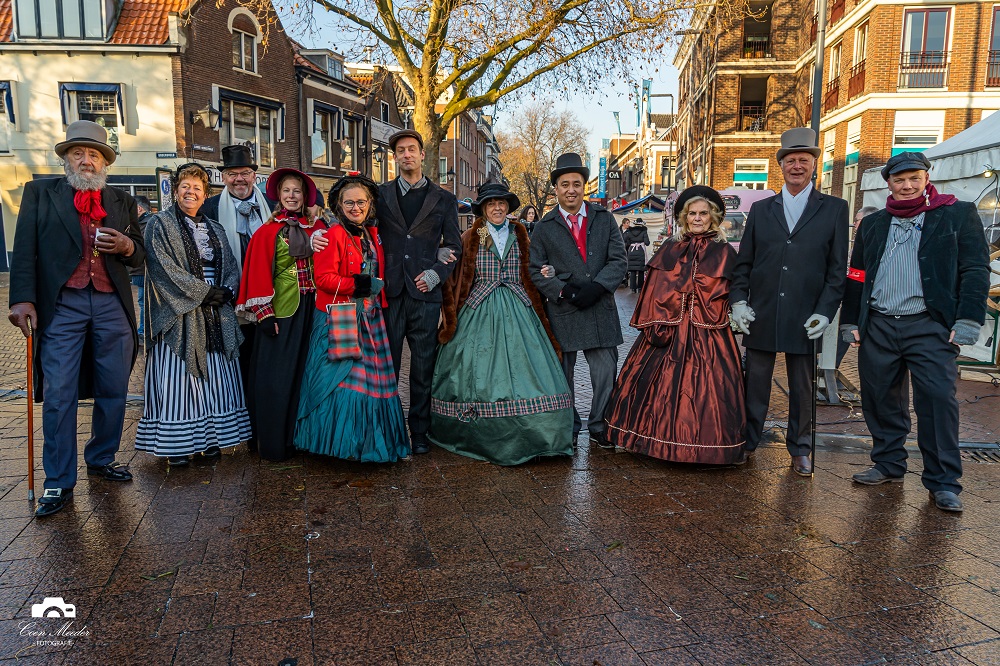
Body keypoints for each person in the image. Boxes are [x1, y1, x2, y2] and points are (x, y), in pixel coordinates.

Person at [9, 120, 145, 517]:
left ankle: (101, 457)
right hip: (62, 303)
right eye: (78, 154)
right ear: (67, 158)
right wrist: (22, 299)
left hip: (110, 303)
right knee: (59, 392)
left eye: (94, 155)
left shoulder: (119, 199)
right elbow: (25, 250)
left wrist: (125, 244)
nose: (87, 161)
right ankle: (58, 479)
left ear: (105, 162)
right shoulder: (40, 193)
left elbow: (139, 254)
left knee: (114, 387)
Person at [841, 152, 990, 512]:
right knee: (879, 399)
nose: (907, 186)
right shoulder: (874, 223)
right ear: (888, 183)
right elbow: (857, 273)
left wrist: (968, 320)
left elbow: (975, 269)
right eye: (899, 180)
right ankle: (889, 464)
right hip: (878, 324)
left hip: (929, 324)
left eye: (914, 178)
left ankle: (943, 482)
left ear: (927, 177)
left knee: (938, 401)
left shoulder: (957, 213)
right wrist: (851, 320)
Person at [730, 128, 849, 475]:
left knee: (802, 387)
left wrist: (826, 312)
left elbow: (836, 270)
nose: (797, 166)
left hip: (805, 313)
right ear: (781, 165)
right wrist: (738, 300)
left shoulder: (835, 209)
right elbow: (745, 264)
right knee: (755, 383)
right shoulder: (762, 209)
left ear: (814, 165)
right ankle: (749, 440)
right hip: (763, 311)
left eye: (804, 160)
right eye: (791, 160)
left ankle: (800, 447)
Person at [430, 182, 574, 464]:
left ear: (508, 207)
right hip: (479, 307)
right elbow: (455, 266)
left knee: (531, 367)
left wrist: (549, 270)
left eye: (502, 203)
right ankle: (481, 434)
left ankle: (541, 435)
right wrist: (438, 255)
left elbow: (535, 266)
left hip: (520, 305)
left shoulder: (520, 234)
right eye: (492, 204)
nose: (497, 208)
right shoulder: (473, 234)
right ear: (483, 208)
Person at [605, 186, 745, 463]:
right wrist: (657, 321)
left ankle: (708, 448)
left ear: (713, 216)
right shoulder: (670, 248)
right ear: (683, 217)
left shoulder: (725, 251)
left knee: (712, 392)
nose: (697, 218)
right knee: (655, 388)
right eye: (692, 213)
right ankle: (653, 442)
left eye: (703, 213)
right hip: (666, 330)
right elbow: (653, 290)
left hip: (710, 333)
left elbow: (734, 288)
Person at [135, 163, 251, 466]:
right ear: (176, 191)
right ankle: (178, 445)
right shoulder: (160, 223)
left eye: (197, 189)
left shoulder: (215, 228)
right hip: (180, 307)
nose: (190, 192)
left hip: (215, 309)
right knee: (181, 376)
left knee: (215, 374)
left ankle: (211, 439)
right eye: (185, 187)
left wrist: (226, 289)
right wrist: (201, 293)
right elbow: (161, 267)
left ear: (205, 195)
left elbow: (230, 262)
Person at [295, 174, 410, 461]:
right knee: (341, 383)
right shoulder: (332, 234)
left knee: (374, 384)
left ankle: (367, 446)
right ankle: (339, 446)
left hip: (370, 320)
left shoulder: (371, 234)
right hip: (342, 318)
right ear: (338, 205)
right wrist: (357, 285)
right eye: (349, 203)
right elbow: (322, 278)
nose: (355, 207)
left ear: (370, 204)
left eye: (361, 202)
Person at [530, 152, 628, 447]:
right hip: (565, 311)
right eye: (564, 184)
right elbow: (536, 269)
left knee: (605, 373)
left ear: (583, 185)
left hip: (599, 309)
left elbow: (619, 260)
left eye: (576, 183)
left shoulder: (604, 217)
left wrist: (598, 287)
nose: (571, 189)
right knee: (563, 377)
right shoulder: (544, 227)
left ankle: (599, 424)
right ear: (556, 189)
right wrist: (565, 291)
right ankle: (569, 426)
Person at [377, 129, 463, 454]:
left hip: (426, 296)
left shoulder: (444, 199)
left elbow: (454, 246)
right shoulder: (381, 194)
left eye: (412, 149)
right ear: (395, 157)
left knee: (423, 369)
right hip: (390, 293)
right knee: (388, 368)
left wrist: (437, 272)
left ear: (422, 154)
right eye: (401, 151)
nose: (407, 155)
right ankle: (389, 429)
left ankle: (421, 433)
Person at [236, 169, 326, 461]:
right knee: (277, 377)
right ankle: (273, 442)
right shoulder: (267, 231)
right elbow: (257, 272)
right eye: (286, 191)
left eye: (296, 191)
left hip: (312, 312)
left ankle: (300, 439)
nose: (291, 196)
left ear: (304, 196)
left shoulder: (317, 228)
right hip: (282, 312)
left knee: (304, 376)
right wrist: (264, 314)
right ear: (279, 195)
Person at [835, 205, 879, 369]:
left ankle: (832, 365)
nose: (854, 225)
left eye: (857, 220)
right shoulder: (859, 242)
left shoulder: (873, 243)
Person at [131, 195, 152, 340]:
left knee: (144, 302)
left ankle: (144, 332)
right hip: (142, 270)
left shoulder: (147, 223)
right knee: (144, 302)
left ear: (138, 209)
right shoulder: (143, 222)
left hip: (145, 270)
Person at [624, 217, 650, 293]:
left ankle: (632, 288)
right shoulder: (644, 231)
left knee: (633, 271)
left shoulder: (630, 231)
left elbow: (626, 240)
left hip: (632, 251)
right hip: (640, 251)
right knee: (641, 270)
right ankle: (640, 288)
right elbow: (647, 243)